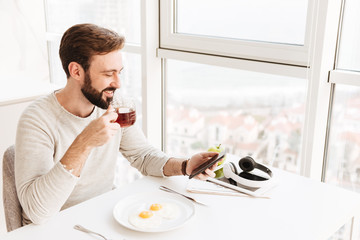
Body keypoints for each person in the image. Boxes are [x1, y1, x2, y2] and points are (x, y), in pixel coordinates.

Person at [14, 23, 218, 225]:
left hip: (101, 213)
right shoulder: (37, 120)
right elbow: (37, 212)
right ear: (76, 71)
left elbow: (143, 157)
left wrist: (184, 166)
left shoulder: (116, 104)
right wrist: (84, 143)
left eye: (119, 72)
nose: (118, 83)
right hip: (55, 225)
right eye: (108, 73)